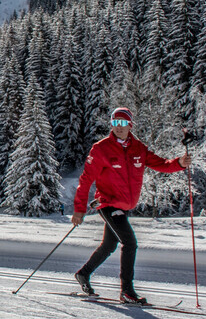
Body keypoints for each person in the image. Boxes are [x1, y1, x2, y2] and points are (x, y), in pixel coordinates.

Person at [71, 107, 191, 304]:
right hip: (108, 204)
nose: (118, 127)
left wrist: (180, 163)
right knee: (130, 242)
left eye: (122, 123)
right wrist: (79, 209)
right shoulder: (101, 149)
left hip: (124, 206)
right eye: (115, 123)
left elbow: (161, 164)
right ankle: (127, 291)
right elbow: (85, 180)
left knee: (109, 245)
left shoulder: (138, 148)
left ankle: (83, 274)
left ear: (130, 125)